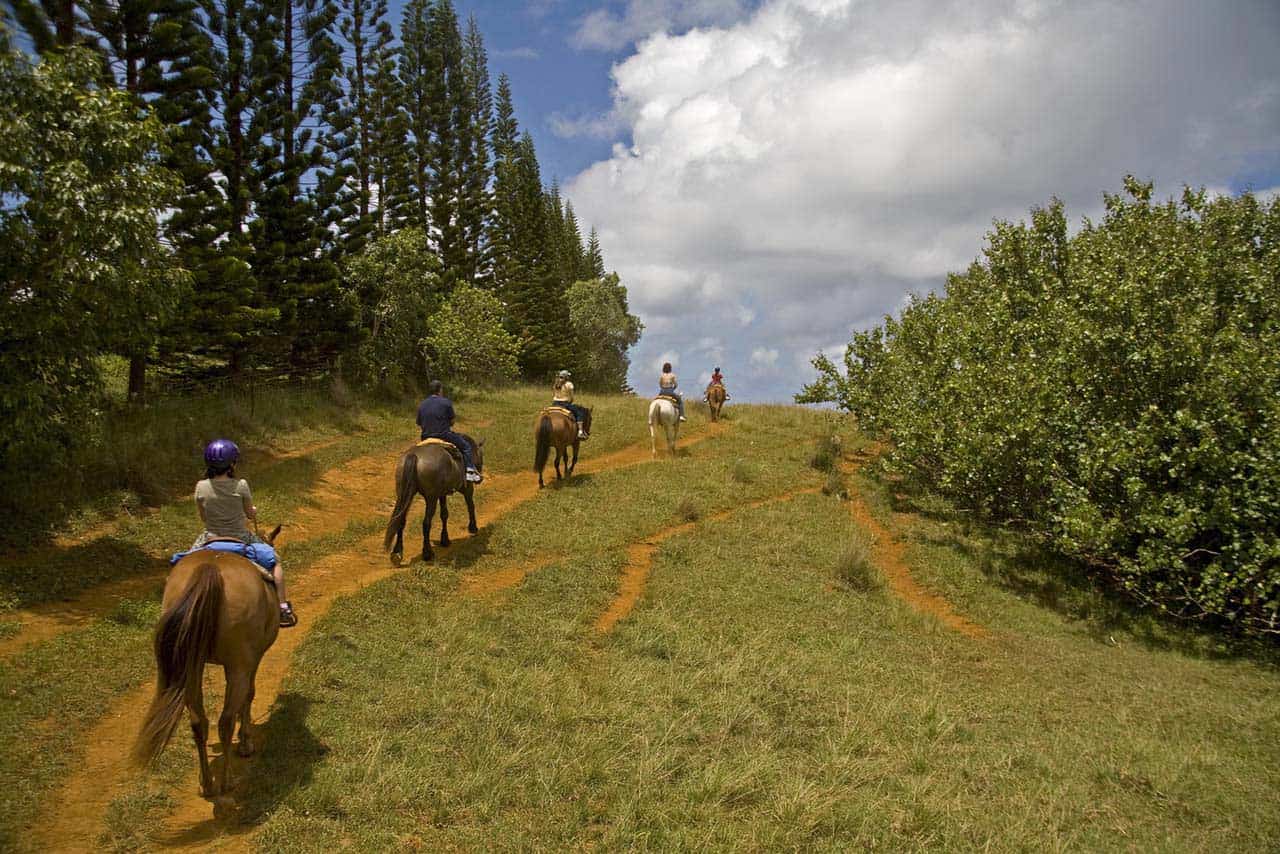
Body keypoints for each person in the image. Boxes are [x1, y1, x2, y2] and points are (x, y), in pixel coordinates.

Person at [194, 439, 297, 627]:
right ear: (232, 463)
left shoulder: (201, 486)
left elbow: (203, 517)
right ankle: (282, 607)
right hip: (240, 537)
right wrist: (253, 511)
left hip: (210, 538)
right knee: (275, 562)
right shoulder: (241, 485)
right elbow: (249, 513)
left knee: (183, 563)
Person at [417, 380, 483, 483]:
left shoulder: (422, 404)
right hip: (444, 436)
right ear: (440, 390)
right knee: (466, 447)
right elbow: (452, 422)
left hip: (425, 437)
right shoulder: (446, 402)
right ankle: (470, 473)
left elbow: (420, 423)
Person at [551, 369, 589, 440]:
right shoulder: (569, 384)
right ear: (566, 377)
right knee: (580, 411)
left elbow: (553, 395)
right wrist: (570, 402)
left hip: (554, 404)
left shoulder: (555, 384)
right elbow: (571, 398)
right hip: (564, 404)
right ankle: (580, 432)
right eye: (568, 376)